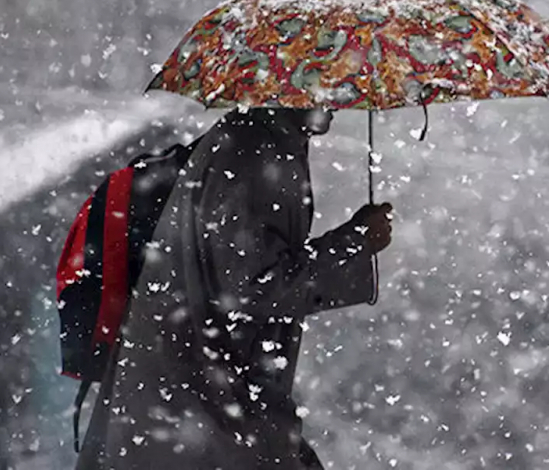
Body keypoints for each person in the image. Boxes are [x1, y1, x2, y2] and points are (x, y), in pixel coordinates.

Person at [76, 107, 394, 469]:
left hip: (198, 396)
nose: (337, 101)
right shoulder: (256, 152)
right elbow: (255, 287)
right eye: (328, 90)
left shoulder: (261, 139)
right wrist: (355, 243)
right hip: (201, 404)